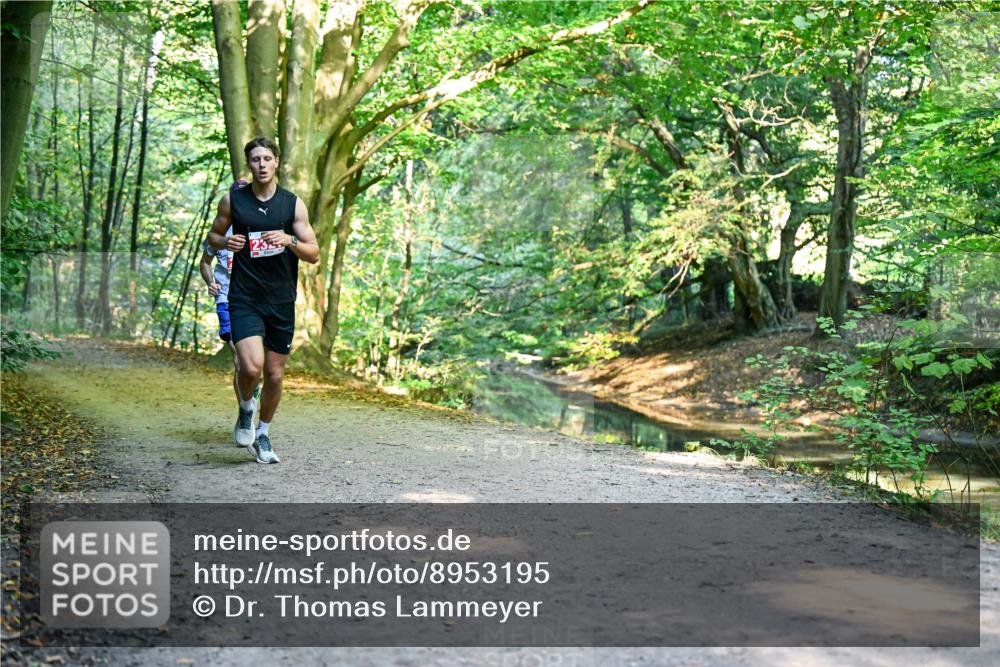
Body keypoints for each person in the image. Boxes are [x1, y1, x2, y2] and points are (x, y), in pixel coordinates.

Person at [206, 137, 319, 464]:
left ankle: (264, 434)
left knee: (274, 374)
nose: (262, 164)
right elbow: (213, 236)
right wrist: (228, 243)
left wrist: (289, 239)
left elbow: (314, 254)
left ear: (277, 162)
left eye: (267, 158)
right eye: (256, 159)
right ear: (249, 164)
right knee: (251, 365)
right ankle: (245, 408)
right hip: (244, 297)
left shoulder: (292, 205)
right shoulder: (234, 201)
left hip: (281, 300)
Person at [199, 200, 260, 422]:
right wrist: (210, 282)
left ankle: (251, 389)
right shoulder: (219, 234)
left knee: (256, 362)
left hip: (255, 302)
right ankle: (245, 414)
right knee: (239, 358)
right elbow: (205, 262)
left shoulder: (260, 228)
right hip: (226, 299)